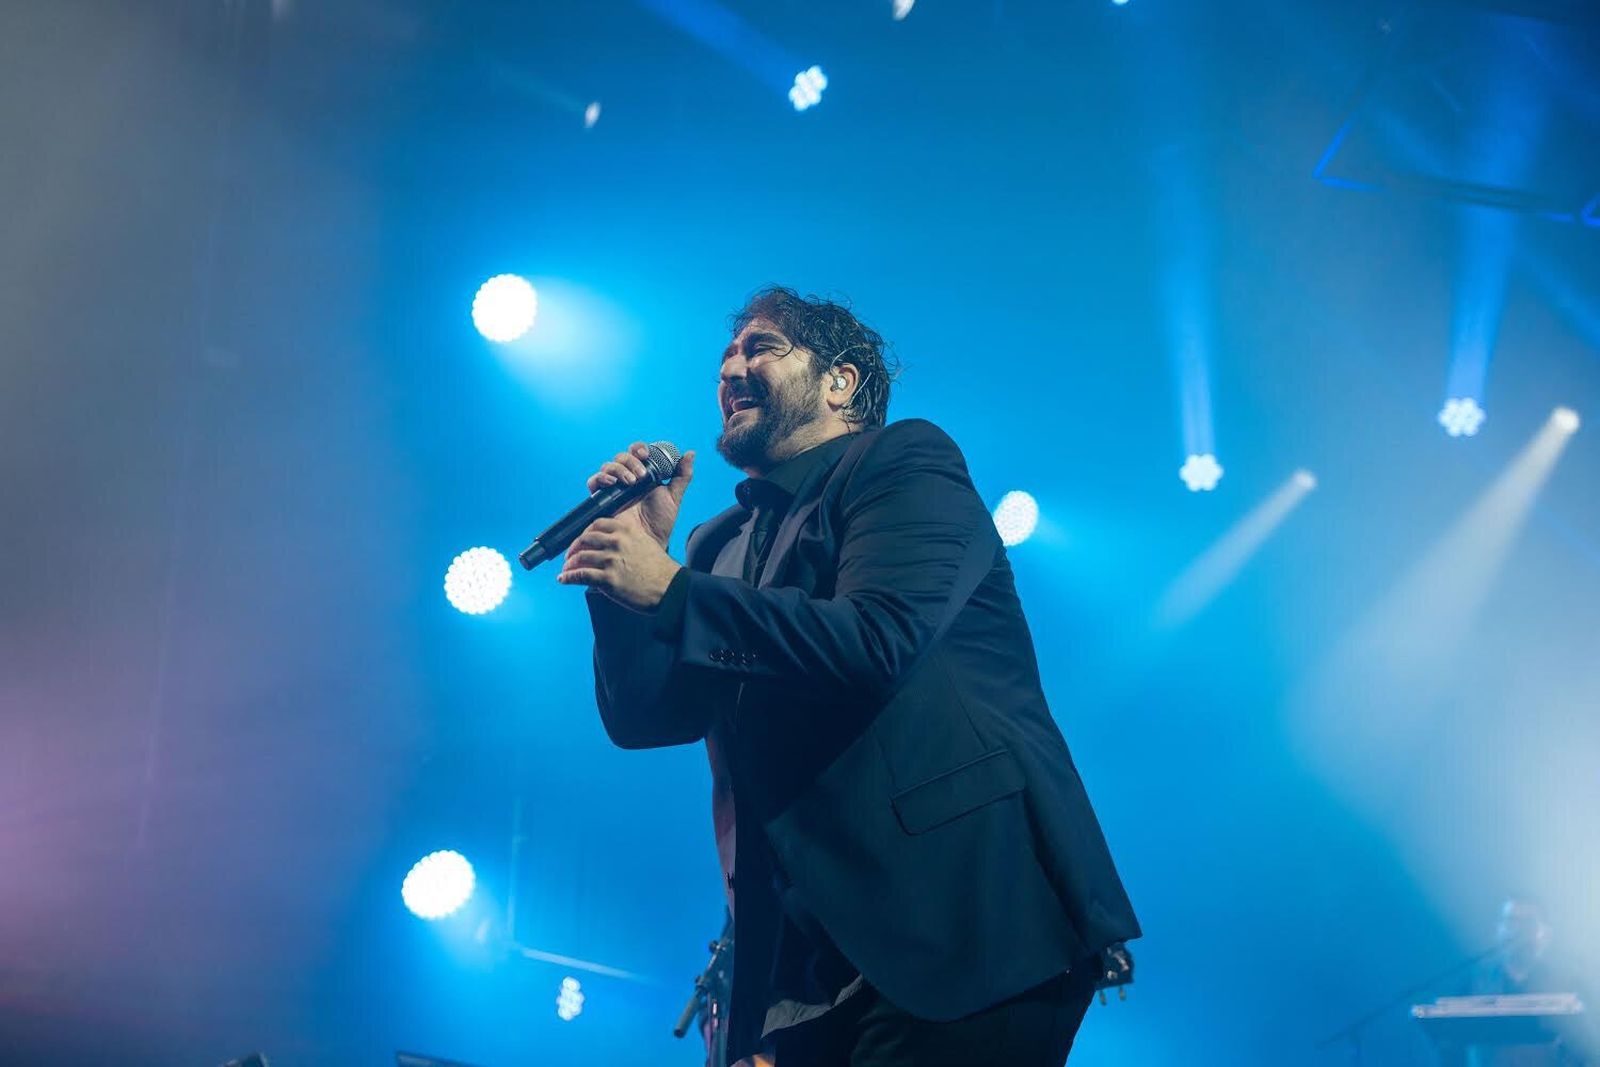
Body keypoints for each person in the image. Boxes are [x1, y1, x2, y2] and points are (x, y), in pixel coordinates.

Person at [558, 287, 1140, 1066]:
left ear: (841, 382)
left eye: (760, 347)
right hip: (805, 955)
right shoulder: (717, 541)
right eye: (726, 357)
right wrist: (624, 578)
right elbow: (647, 718)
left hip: (965, 920)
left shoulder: (902, 463)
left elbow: (878, 638)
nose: (732, 367)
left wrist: (669, 589)